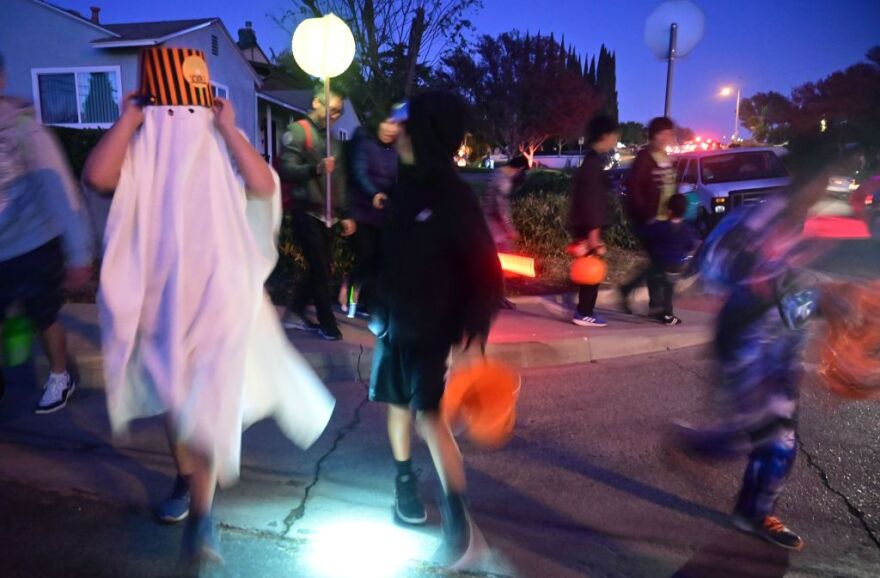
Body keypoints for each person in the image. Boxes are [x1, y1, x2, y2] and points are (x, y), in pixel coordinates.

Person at [84, 47, 334, 564]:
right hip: (162, 296)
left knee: (208, 395)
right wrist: (130, 118)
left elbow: (262, 185)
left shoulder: (220, 146)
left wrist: (228, 128)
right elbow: (98, 177)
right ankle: (188, 483)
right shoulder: (141, 148)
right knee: (178, 398)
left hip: (220, 292)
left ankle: (202, 514)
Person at [368, 92, 503, 569]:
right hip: (392, 324)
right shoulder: (403, 187)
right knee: (396, 404)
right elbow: (388, 253)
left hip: (430, 331)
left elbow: (488, 274)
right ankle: (405, 485)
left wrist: (473, 337)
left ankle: (459, 526)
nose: (398, 128)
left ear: (425, 133)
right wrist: (364, 284)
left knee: (428, 417)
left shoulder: (452, 195)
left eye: (407, 122)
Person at [674, 164, 835, 551]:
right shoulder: (756, 219)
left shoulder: (811, 224)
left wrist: (826, 305)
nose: (823, 189)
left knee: (780, 438)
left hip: (782, 350)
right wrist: (757, 278)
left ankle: (754, 512)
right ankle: (707, 446)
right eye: (822, 176)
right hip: (746, 345)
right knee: (759, 433)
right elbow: (712, 264)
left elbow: (798, 295)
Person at [0, 51, 94, 413]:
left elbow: (60, 190)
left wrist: (79, 255)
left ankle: (60, 374)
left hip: (33, 244)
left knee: (45, 315)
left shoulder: (24, 127)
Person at [278, 84, 355, 341]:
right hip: (306, 210)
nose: (335, 116)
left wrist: (345, 214)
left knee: (319, 266)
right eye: (332, 109)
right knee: (321, 268)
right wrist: (315, 169)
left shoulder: (333, 141)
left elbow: (340, 179)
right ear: (315, 103)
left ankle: (295, 312)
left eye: (339, 112)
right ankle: (327, 322)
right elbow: (286, 168)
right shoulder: (298, 131)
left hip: (328, 214)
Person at [338, 112, 400, 319]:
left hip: (383, 215)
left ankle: (366, 301)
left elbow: (397, 180)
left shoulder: (395, 151)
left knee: (379, 261)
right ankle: (351, 288)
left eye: (395, 125)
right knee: (367, 256)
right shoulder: (364, 142)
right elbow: (359, 173)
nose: (391, 129)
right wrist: (373, 193)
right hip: (362, 211)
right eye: (387, 123)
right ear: (378, 122)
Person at [619, 117, 677, 314]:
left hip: (665, 218)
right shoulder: (644, 157)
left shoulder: (665, 157)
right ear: (653, 135)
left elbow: (670, 185)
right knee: (659, 261)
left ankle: (650, 301)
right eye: (662, 133)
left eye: (669, 133)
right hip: (649, 219)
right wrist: (646, 216)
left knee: (658, 261)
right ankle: (654, 303)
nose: (666, 137)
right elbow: (635, 189)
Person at [567, 114, 619, 327]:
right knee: (591, 271)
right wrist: (594, 235)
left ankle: (584, 310)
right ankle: (584, 312)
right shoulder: (593, 165)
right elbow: (592, 201)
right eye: (614, 135)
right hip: (589, 228)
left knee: (589, 269)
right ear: (605, 136)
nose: (615, 140)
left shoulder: (591, 161)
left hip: (586, 226)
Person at [642, 193, 700, 326]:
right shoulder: (686, 228)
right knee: (669, 289)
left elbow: (648, 235)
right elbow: (691, 245)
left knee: (654, 281)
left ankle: (657, 308)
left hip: (660, 262)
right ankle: (667, 313)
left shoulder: (660, 226)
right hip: (676, 265)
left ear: (669, 211)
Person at [483, 155, 528, 310]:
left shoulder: (495, 173)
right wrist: (510, 229)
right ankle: (497, 297)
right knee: (501, 263)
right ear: (520, 169)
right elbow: (501, 209)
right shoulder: (504, 181)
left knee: (496, 263)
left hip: (488, 225)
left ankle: (495, 296)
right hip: (496, 229)